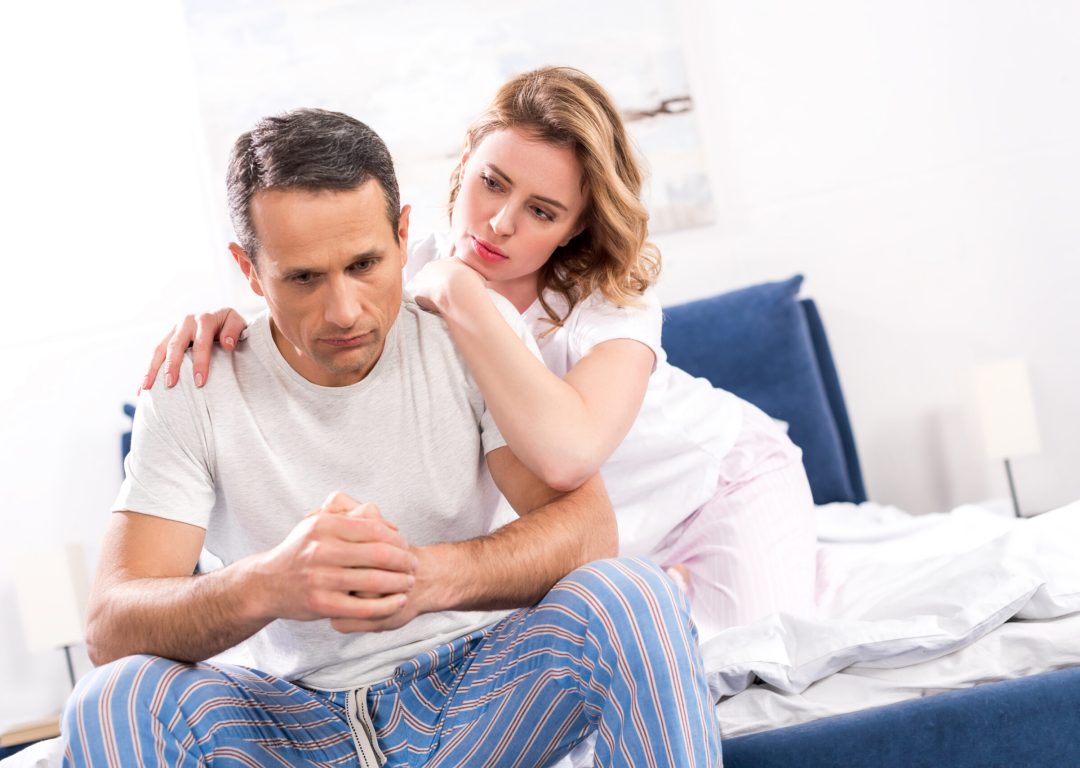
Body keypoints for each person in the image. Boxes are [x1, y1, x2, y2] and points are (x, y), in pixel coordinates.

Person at [66, 108, 721, 767]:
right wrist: (266, 586)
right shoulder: (197, 383)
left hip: (472, 699)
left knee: (635, 596)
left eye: (364, 264)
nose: (344, 310)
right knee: (111, 697)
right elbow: (110, 626)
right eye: (303, 277)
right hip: (283, 723)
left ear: (404, 236)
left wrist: (424, 577)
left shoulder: (467, 334)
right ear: (250, 269)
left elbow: (586, 533)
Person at [145, 66, 817, 640]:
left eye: (542, 211)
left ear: (577, 225)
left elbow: (567, 456)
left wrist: (461, 295)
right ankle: (662, 590)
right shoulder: (404, 262)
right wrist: (236, 320)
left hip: (715, 488)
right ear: (465, 160)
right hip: (602, 543)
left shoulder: (611, 309)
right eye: (492, 183)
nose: (500, 221)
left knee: (749, 659)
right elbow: (315, 300)